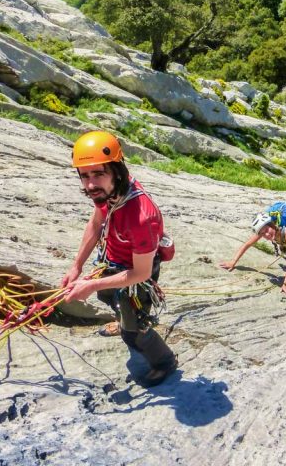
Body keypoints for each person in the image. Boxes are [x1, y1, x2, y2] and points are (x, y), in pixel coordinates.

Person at [62, 130, 178, 387]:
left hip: (136, 270)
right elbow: (96, 222)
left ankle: (164, 362)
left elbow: (141, 273)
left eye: (98, 174)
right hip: (112, 260)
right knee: (107, 296)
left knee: (134, 330)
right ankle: (120, 318)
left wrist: (90, 284)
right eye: (84, 175)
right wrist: (76, 266)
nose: (90, 185)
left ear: (116, 170)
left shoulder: (142, 217)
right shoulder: (110, 192)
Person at [219, 202, 286, 298]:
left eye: (266, 230)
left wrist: (285, 285)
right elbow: (247, 244)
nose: (266, 234)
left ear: (272, 224)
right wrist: (233, 262)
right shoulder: (265, 229)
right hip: (283, 239)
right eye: (262, 233)